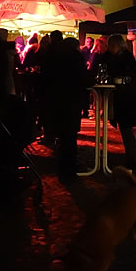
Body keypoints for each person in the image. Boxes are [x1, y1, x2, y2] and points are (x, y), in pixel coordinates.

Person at [94, 34, 136, 167]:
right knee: (125, 126)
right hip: (119, 95)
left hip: (125, 96)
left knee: (125, 125)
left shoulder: (125, 57)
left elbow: (128, 73)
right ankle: (132, 155)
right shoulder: (116, 56)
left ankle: (133, 156)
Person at [49, 36, 89, 181]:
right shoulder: (75, 58)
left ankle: (63, 169)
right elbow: (83, 78)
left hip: (58, 101)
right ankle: (69, 170)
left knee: (63, 136)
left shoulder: (56, 58)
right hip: (71, 100)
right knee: (70, 137)